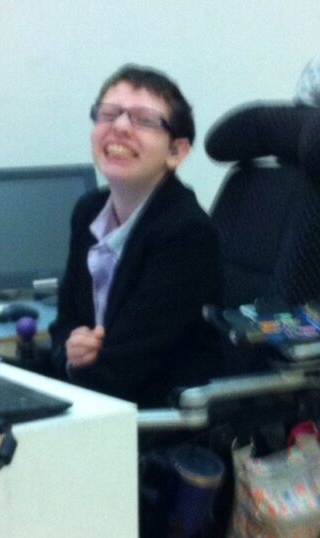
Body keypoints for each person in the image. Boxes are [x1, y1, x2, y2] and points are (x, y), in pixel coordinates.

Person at [49, 65, 224, 409]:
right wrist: (69, 349)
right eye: (108, 114)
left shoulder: (188, 233)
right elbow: (64, 324)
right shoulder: (88, 210)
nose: (119, 127)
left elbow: (125, 369)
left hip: (149, 423)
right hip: (92, 401)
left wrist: (66, 365)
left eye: (143, 120)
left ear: (176, 152)